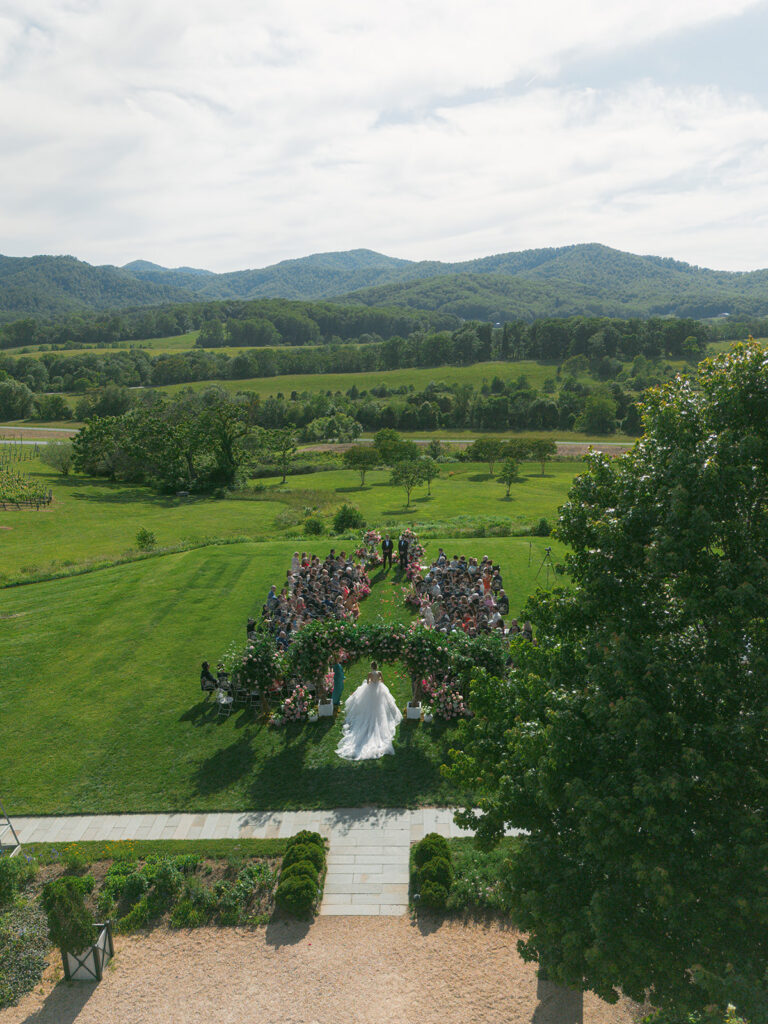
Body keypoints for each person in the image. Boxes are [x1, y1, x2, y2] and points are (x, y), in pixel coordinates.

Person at [336, 661, 403, 761]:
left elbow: (368, 682)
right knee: (381, 704)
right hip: (379, 689)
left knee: (369, 704)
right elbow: (382, 681)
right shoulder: (379, 673)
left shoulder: (369, 674)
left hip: (371, 689)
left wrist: (370, 682)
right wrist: (378, 682)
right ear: (377, 666)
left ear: (371, 667)